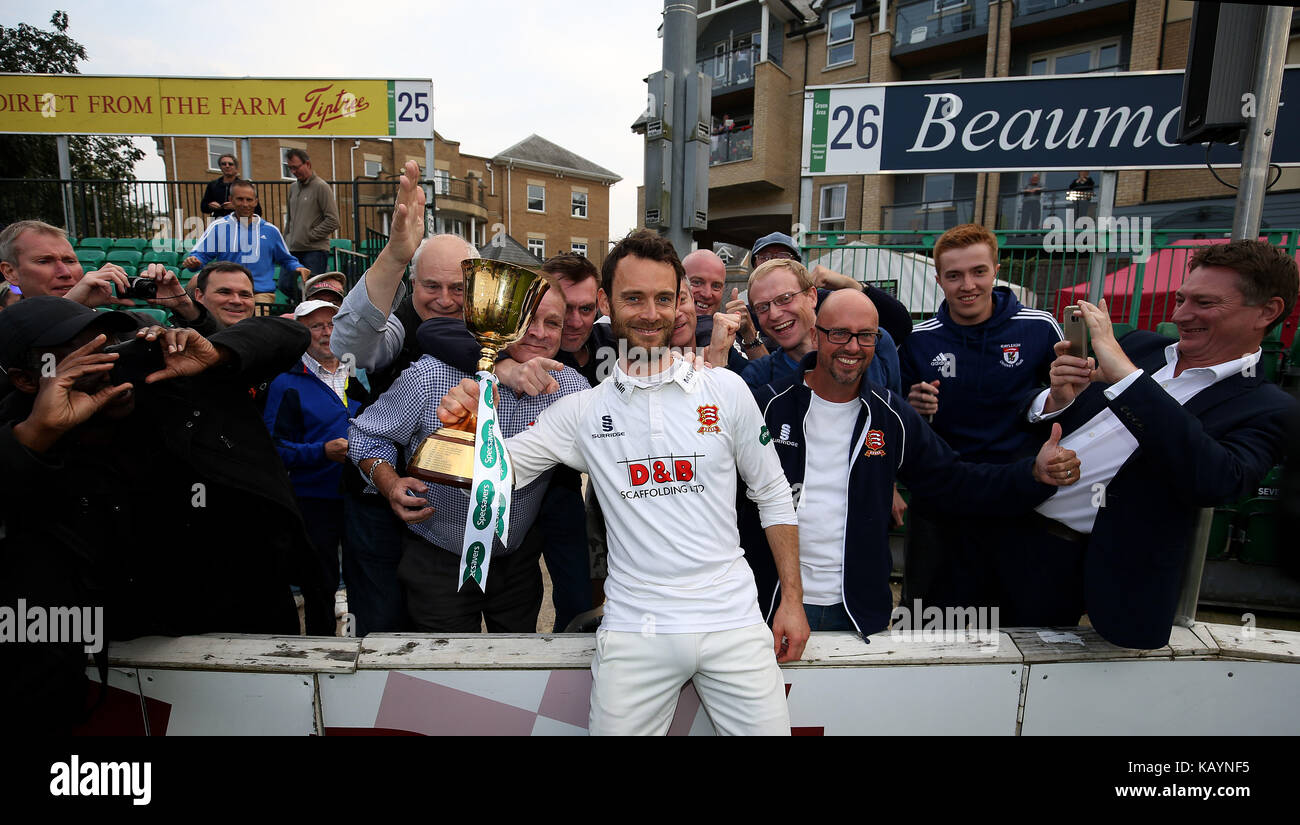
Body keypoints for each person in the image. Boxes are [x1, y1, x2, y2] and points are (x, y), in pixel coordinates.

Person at [436, 230, 809, 736]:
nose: (651, 313)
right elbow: (488, 476)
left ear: (681, 300)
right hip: (636, 631)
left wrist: (791, 600)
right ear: (608, 303)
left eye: (663, 297)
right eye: (634, 298)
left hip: (733, 623)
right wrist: (463, 422)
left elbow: (772, 496)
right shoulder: (583, 410)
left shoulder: (726, 390)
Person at [0, 298, 329, 731]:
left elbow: (288, 335)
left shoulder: (170, 379)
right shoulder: (23, 431)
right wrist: (36, 438)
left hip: (245, 618)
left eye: (109, 346)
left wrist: (219, 353)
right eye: (80, 360)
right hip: (124, 650)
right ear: (27, 380)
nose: (108, 367)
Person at [1014, 239, 1299, 649]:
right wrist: (1056, 399)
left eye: (1204, 303)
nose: (1181, 315)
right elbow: (1034, 415)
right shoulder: (1139, 347)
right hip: (1015, 535)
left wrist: (1129, 380)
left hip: (1112, 580)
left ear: (1267, 312)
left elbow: (1215, 480)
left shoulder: (1268, 407)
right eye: (1181, 299)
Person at [743, 289, 1081, 634]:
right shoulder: (765, 407)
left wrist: (1034, 473)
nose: (853, 347)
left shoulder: (891, 416)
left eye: (866, 336)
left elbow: (955, 481)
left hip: (857, 612)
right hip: (771, 604)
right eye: (840, 333)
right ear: (816, 335)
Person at [348, 285, 588, 633]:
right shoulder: (431, 375)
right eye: (530, 320)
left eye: (552, 323)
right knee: (447, 671)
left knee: (516, 663)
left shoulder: (570, 390)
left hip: (515, 561)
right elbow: (367, 436)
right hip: (438, 557)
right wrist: (390, 483)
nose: (539, 332)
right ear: (508, 320)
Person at [898, 223, 1062, 612]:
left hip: (1020, 498)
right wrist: (913, 406)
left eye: (978, 272)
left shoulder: (1039, 328)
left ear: (996, 270)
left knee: (1020, 628)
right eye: (954, 275)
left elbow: (1074, 402)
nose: (967, 285)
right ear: (938, 279)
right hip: (943, 504)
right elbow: (899, 420)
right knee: (930, 634)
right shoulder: (920, 340)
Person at [264, 299, 370, 632]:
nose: (327, 333)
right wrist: (320, 451)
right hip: (313, 500)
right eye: (316, 326)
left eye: (333, 324)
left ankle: (362, 644)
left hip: (358, 494)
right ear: (302, 333)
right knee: (320, 583)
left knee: (363, 577)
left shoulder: (355, 373)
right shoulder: (286, 382)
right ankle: (320, 647)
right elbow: (273, 449)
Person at [1, 220, 216, 331]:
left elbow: (214, 354)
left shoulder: (128, 323)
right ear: (10, 272)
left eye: (70, 261)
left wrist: (185, 308)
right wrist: (69, 307)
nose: (65, 273)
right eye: (44, 261)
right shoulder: (9, 330)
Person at [740, 257, 900, 396]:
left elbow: (894, 413)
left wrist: (849, 284)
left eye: (785, 299)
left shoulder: (872, 343)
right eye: (762, 307)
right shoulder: (759, 377)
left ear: (811, 296)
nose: (774, 314)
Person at [746, 231, 913, 345]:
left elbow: (900, 326)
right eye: (765, 257)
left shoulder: (825, 302)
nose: (773, 262)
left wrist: (851, 285)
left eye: (783, 257)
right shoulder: (747, 316)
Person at [182, 180, 309, 306]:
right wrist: (194, 262)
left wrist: (297, 267)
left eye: (249, 200)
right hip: (227, 291)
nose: (245, 204)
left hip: (260, 294)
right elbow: (200, 256)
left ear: (256, 201)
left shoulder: (271, 230)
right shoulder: (218, 227)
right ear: (231, 200)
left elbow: (286, 259)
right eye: (240, 199)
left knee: (255, 324)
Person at [284, 148, 341, 302]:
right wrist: (286, 240)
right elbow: (289, 220)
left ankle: (309, 313)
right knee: (284, 284)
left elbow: (333, 220)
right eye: (290, 168)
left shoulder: (321, 187)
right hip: (293, 249)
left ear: (307, 164)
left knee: (312, 289)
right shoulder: (293, 188)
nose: (293, 171)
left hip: (314, 250)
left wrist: (310, 236)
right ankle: (300, 307)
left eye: (296, 167)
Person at [682, 248, 728, 349]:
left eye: (716, 286)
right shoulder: (655, 335)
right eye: (697, 282)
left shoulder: (730, 337)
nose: (707, 294)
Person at [191, 261, 256, 330]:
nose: (236, 301)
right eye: (225, 293)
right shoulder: (181, 338)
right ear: (200, 296)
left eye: (245, 295)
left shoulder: (266, 337)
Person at [201, 153, 262, 219]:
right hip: (218, 220)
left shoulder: (245, 187)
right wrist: (210, 206)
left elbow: (258, 211)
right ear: (220, 167)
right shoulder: (213, 185)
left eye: (230, 164)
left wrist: (236, 206)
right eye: (224, 164)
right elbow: (203, 207)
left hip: (240, 221)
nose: (227, 166)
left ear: (236, 167)